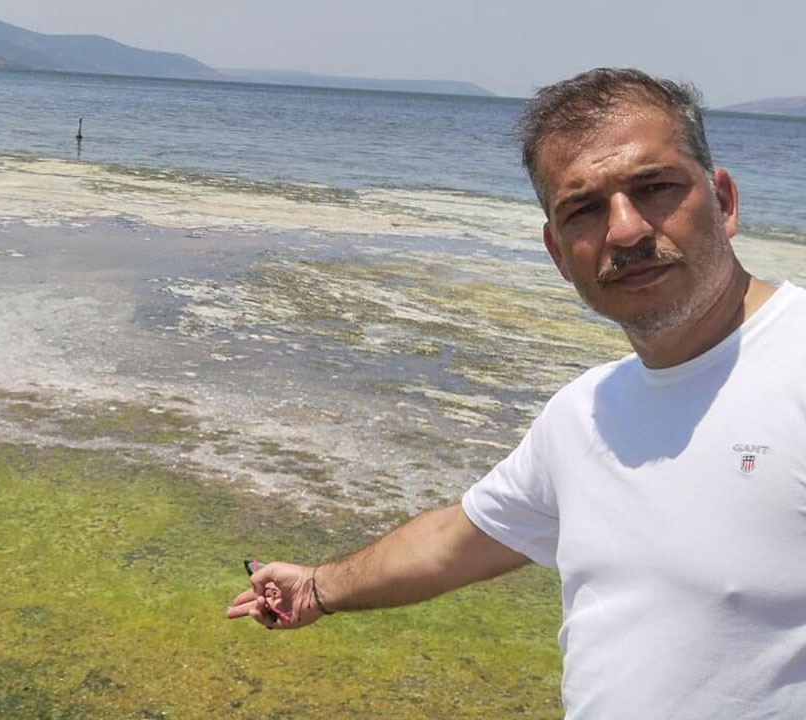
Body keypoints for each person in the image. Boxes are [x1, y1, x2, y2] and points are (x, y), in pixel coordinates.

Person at [227, 67, 806, 717]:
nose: (625, 231)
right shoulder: (586, 414)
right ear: (558, 254)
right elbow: (457, 541)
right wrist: (318, 587)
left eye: (654, 187)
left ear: (723, 201)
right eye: (582, 209)